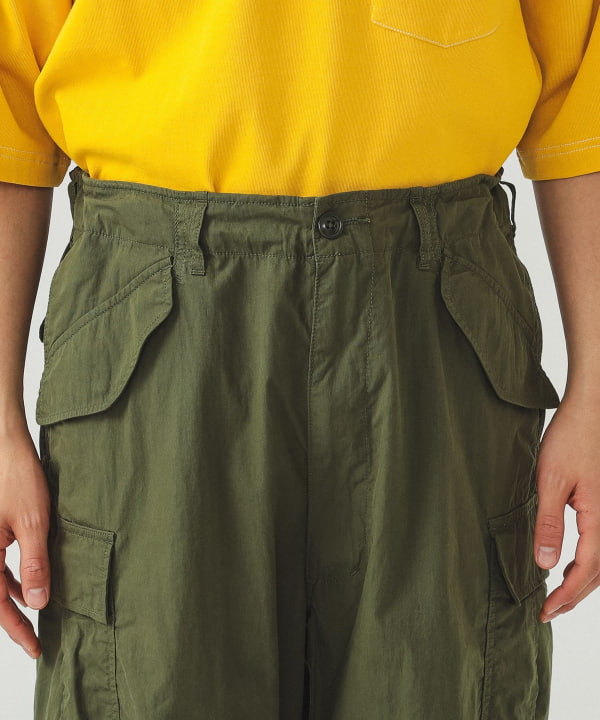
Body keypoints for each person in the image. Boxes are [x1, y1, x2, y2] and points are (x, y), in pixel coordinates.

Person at [1, 2, 599, 718]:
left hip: (438, 317)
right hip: (153, 328)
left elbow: (581, 97)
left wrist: (596, 392)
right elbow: (10, 104)